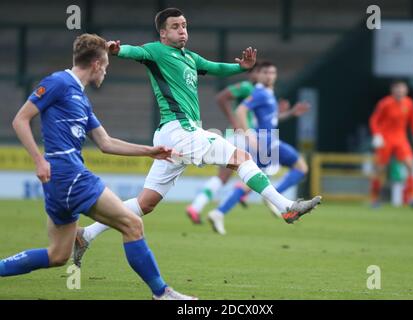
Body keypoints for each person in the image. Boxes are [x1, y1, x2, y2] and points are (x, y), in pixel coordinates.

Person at [74, 8, 321, 267]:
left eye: (184, 25)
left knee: (145, 203)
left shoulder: (190, 57)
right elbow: (135, 51)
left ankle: (85, 234)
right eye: (176, 26)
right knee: (242, 158)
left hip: (173, 136)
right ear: (163, 33)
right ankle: (285, 207)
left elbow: (215, 68)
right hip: (180, 131)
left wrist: (241, 67)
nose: (182, 30)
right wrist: (116, 50)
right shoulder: (156, 51)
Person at [0, 33, 196, 300]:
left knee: (58, 255)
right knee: (132, 224)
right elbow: (20, 120)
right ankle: (162, 294)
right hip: (68, 173)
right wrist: (38, 159)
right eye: (106, 65)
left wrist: (150, 152)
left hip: (60, 181)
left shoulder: (81, 99)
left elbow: (106, 142)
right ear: (96, 64)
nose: (106, 71)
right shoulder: (58, 82)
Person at [207, 61, 310, 235]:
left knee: (252, 181)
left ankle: (219, 212)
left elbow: (270, 119)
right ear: (259, 75)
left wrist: (290, 113)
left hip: (266, 139)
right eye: (266, 73)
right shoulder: (260, 92)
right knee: (301, 166)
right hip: (266, 140)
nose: (270, 76)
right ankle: (274, 195)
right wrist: (249, 135)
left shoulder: (268, 93)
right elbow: (240, 110)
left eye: (272, 72)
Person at [185, 63, 260, 224]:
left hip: (248, 136)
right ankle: (239, 194)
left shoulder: (260, 93)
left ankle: (197, 207)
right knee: (227, 176)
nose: (260, 75)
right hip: (241, 136)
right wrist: (234, 121)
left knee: (225, 177)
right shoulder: (247, 87)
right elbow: (222, 97)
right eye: (258, 72)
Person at [369, 80, 413, 207]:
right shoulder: (385, 103)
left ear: (406, 90)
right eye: (397, 89)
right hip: (385, 140)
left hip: (401, 139)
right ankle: (374, 198)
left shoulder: (409, 103)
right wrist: (377, 135)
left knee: (411, 165)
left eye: (402, 89)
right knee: (380, 169)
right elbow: (374, 120)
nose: (400, 91)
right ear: (392, 91)